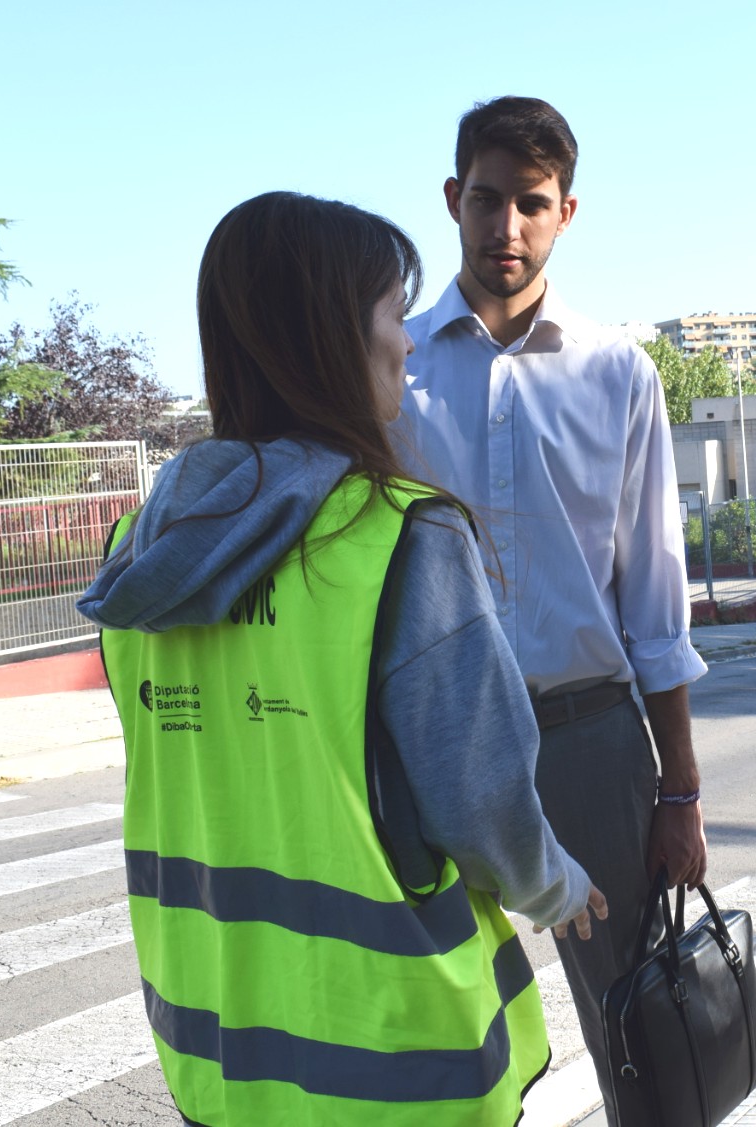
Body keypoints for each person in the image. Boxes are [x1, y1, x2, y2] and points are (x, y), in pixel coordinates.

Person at [78, 191, 604, 1126]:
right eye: (391, 318)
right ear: (326, 340)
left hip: (219, 1042)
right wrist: (555, 885)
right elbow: (481, 801)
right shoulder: (396, 535)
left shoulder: (137, 560)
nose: (405, 344)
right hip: (394, 1057)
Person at [395, 95, 708, 1115]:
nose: (506, 228)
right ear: (453, 199)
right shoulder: (389, 371)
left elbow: (655, 602)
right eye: (486, 200)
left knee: (639, 1027)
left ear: (566, 211)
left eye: (531, 204)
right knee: (435, 1023)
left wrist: (681, 790)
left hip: (587, 737)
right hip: (428, 741)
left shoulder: (618, 371)